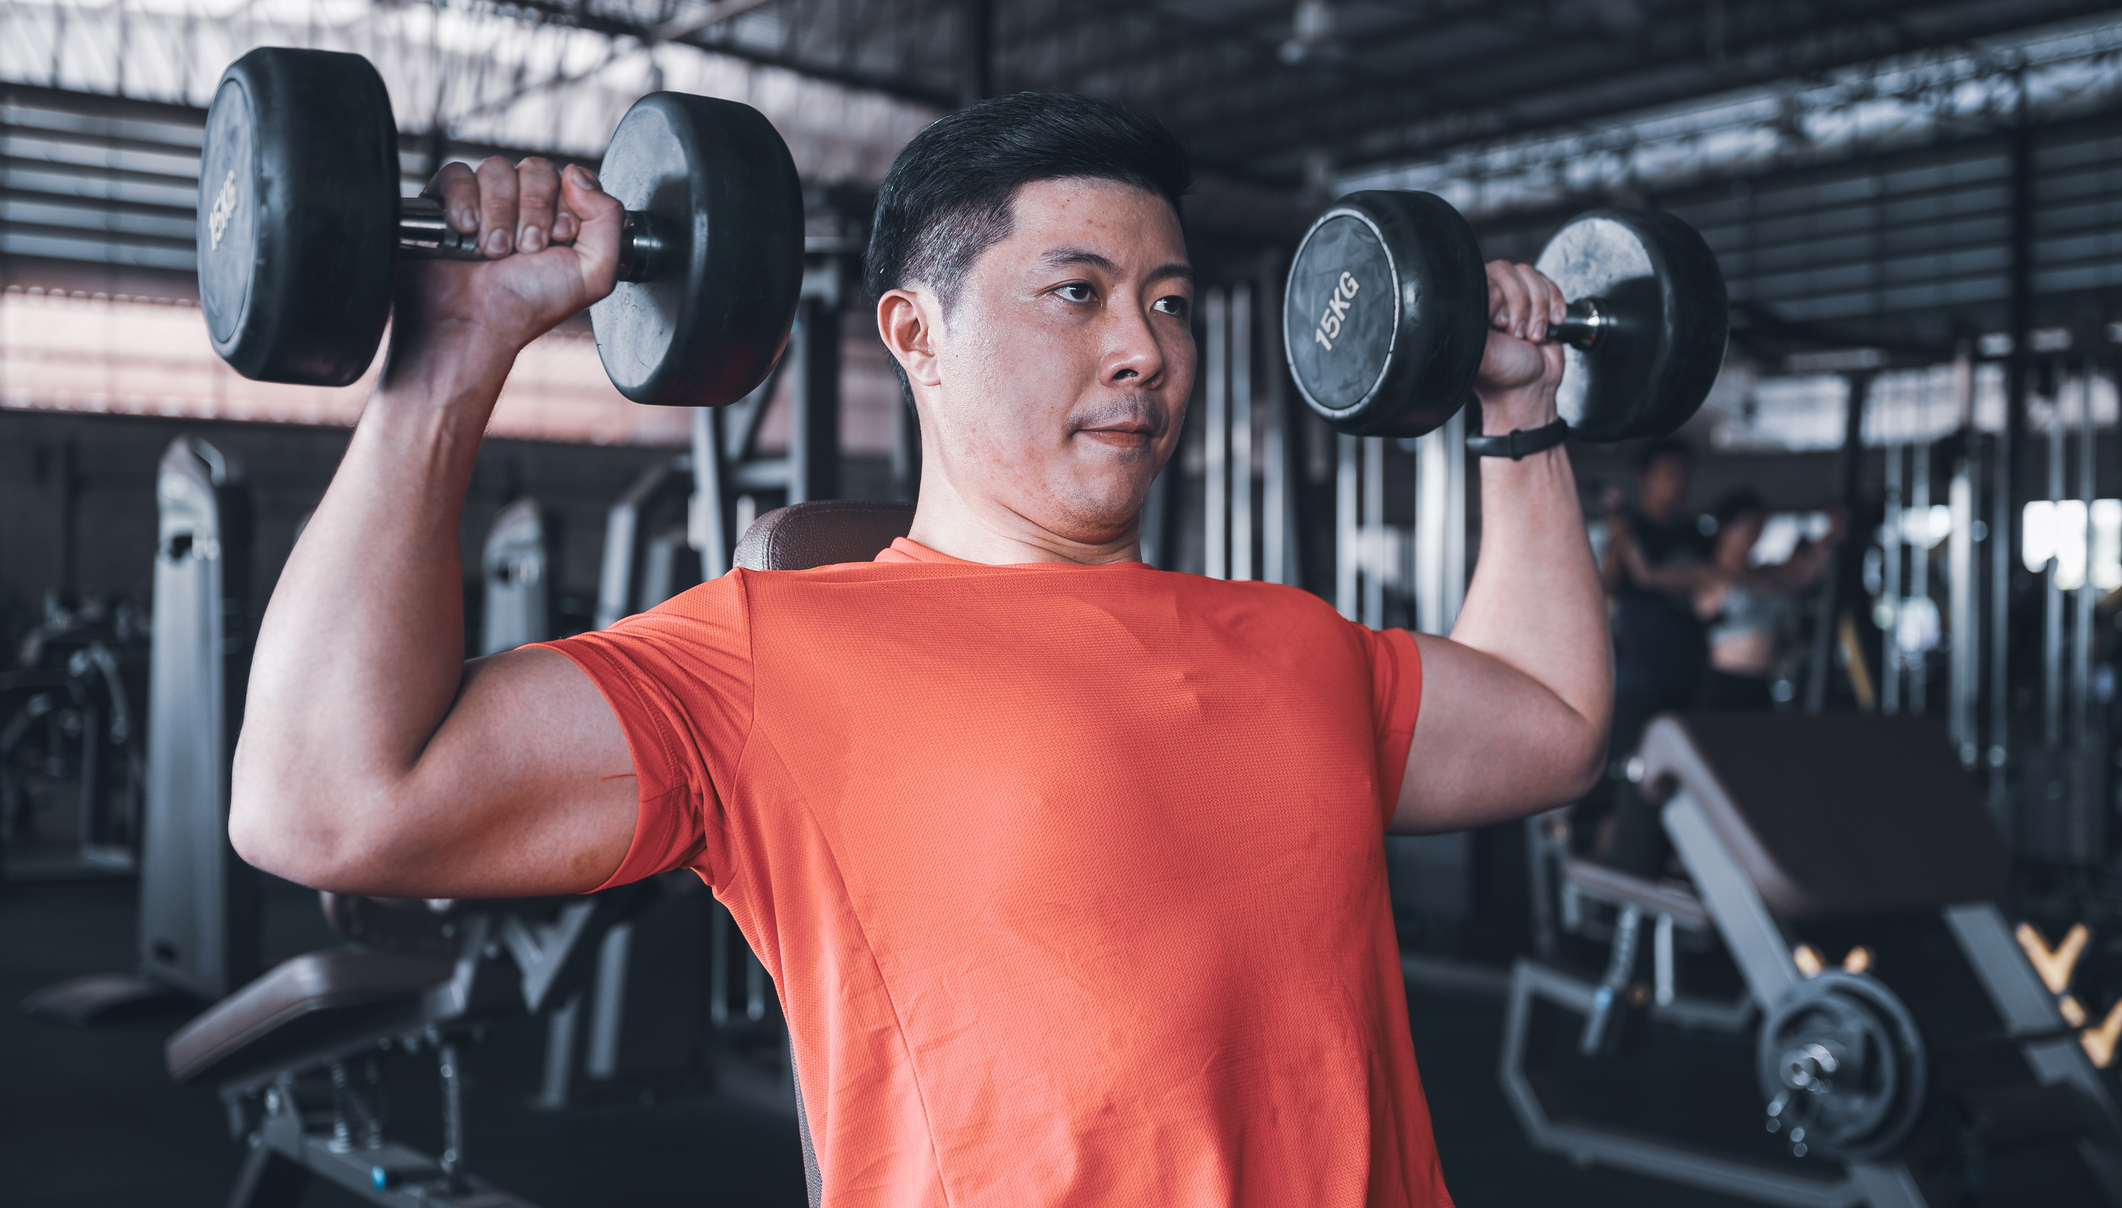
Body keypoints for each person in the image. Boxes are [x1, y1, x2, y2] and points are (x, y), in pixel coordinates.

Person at [228, 94, 1610, 1207]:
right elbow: (328, 803)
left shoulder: (1292, 640)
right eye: (1076, 293)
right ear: (915, 333)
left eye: (1172, 302)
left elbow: (1548, 720)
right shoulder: (769, 659)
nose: (1145, 348)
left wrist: (1521, 415)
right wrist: (451, 359)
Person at [1595, 442, 1706, 876]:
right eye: (1669, 473)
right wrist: (1619, 532)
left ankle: (1665, 880)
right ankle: (1613, 896)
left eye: (1684, 473)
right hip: (1638, 678)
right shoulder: (1628, 531)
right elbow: (1608, 584)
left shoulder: (1696, 534)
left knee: (1683, 788)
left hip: (1690, 672)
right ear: (1645, 479)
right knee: (1631, 791)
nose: (1679, 482)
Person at [1691, 490, 1842, 711]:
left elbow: (1805, 574)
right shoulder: (1707, 576)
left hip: (1761, 683)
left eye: (1760, 526)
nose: (1754, 534)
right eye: (1749, 526)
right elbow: (1655, 577)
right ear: (1726, 528)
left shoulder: (1768, 574)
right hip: (1724, 685)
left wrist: (1833, 533)